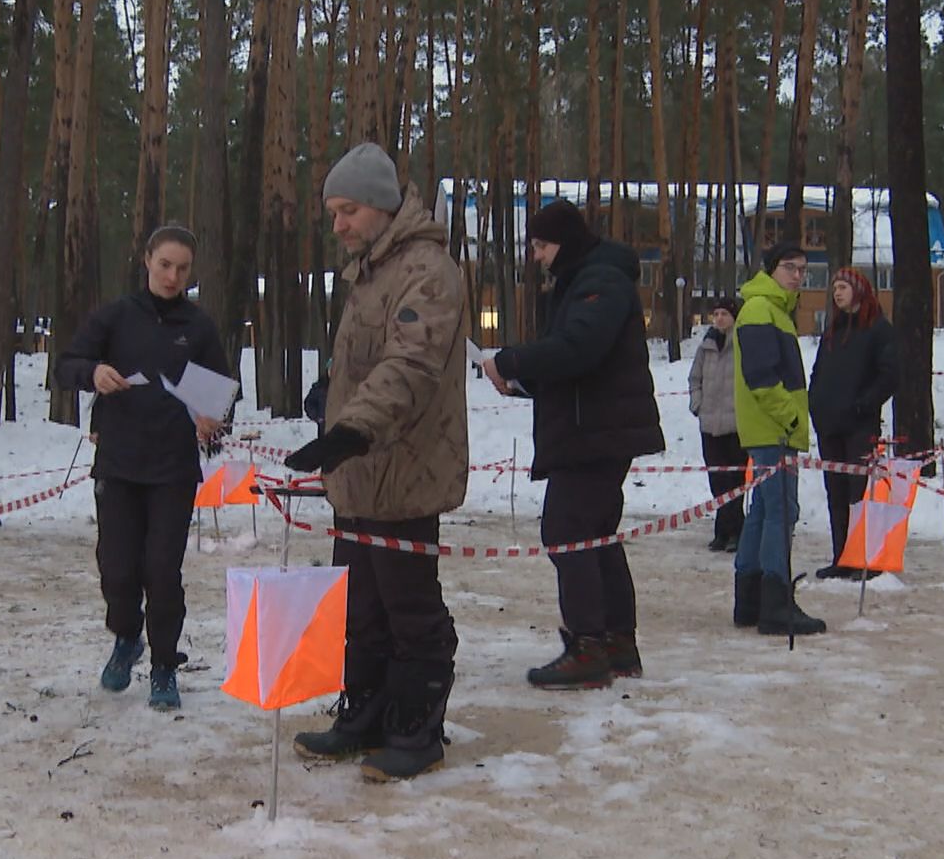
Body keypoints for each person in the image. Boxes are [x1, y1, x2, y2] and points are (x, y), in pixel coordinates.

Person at [284, 142, 468, 782]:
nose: (338, 225)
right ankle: (363, 717)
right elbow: (365, 361)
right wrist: (331, 397)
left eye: (348, 211)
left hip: (405, 471)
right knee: (360, 608)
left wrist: (353, 427)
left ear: (382, 206)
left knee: (409, 610)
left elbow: (411, 364)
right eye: (333, 212)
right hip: (359, 473)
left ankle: (417, 731)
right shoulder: (370, 272)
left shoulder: (427, 271)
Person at [483, 200, 663, 689]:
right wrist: (524, 383)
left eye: (542, 246)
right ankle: (615, 642)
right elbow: (580, 365)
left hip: (596, 434)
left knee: (568, 533)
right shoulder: (586, 280)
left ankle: (588, 647)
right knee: (596, 535)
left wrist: (512, 361)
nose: (537, 256)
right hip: (594, 428)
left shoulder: (599, 281)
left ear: (565, 242)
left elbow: (580, 348)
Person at [56, 225, 231, 710]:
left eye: (183, 268)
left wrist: (212, 420)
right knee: (117, 568)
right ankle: (126, 636)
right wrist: (92, 372)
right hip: (118, 464)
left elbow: (221, 394)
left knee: (161, 571)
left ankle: (164, 666)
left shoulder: (198, 327)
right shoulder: (116, 316)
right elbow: (66, 364)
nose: (173, 276)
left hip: (173, 469)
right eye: (165, 265)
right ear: (147, 260)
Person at [730, 241, 826, 638]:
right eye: (790, 267)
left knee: (764, 511)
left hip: (773, 427)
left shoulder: (774, 311)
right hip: (774, 428)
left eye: (803, 269)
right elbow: (762, 378)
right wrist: (790, 417)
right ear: (770, 270)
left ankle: (750, 600)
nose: (798, 275)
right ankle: (774, 601)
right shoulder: (760, 309)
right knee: (781, 511)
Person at [807, 266, 899, 580]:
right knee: (836, 493)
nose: (837, 293)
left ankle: (866, 559)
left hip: (860, 426)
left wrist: (864, 405)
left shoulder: (879, 329)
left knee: (860, 494)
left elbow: (890, 375)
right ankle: (842, 557)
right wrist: (815, 402)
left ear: (858, 290)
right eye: (835, 288)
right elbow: (819, 371)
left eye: (843, 287)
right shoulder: (833, 329)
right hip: (828, 424)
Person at [688, 296, 745, 554]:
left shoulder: (742, 345)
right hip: (710, 424)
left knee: (735, 481)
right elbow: (695, 378)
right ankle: (722, 531)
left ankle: (736, 531)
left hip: (735, 426)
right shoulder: (706, 345)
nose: (720, 318)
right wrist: (697, 404)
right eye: (717, 314)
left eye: (725, 314)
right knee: (717, 481)